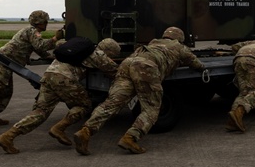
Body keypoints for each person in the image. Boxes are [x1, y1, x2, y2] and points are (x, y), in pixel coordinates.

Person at [73, 27, 205, 155]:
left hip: (127, 64)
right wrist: (203, 69)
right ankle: (130, 138)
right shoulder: (179, 47)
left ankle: (85, 131)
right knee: (151, 108)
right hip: (145, 67)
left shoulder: (153, 42)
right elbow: (194, 62)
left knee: (113, 103)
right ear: (180, 38)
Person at [0, 38, 120, 154]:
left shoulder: (81, 48)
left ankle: (8, 136)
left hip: (49, 75)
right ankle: (59, 128)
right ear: (108, 51)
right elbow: (115, 72)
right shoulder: (99, 55)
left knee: (41, 111)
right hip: (64, 79)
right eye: (112, 55)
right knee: (84, 105)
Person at [0, 10, 63, 129]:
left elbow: (40, 51)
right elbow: (40, 46)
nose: (46, 24)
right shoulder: (32, 31)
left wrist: (53, 56)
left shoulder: (31, 32)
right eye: (45, 21)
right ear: (39, 22)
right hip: (2, 61)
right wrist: (55, 39)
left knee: (6, 91)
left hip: (5, 62)